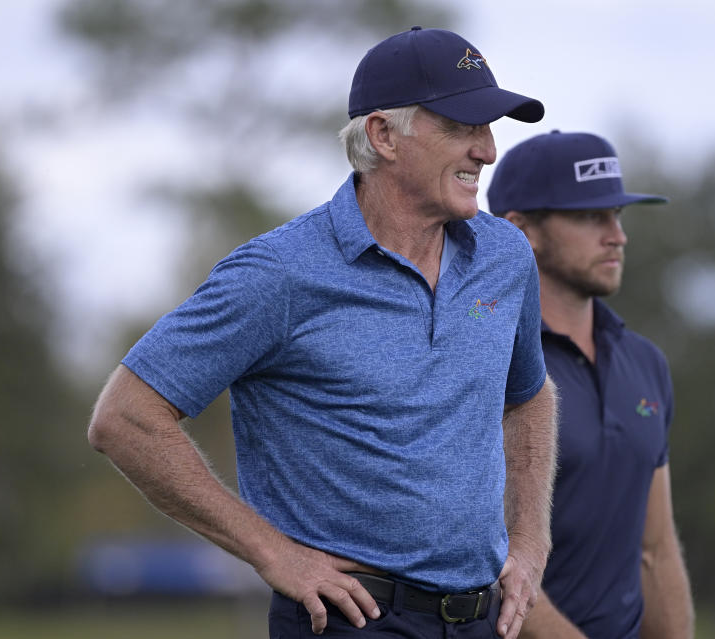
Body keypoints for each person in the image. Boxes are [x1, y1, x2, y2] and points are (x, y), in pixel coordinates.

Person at [88, 26, 559, 639]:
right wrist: (270, 551)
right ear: (382, 135)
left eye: (489, 128)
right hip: (348, 620)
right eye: (462, 128)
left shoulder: (506, 256)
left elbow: (528, 393)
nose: (488, 151)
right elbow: (125, 418)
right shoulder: (279, 273)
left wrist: (530, 536)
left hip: (484, 621)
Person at [488, 130, 695, 638]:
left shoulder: (644, 363)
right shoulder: (484, 358)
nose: (616, 235)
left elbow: (656, 549)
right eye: (589, 217)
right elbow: (479, 554)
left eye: (618, 216)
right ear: (522, 230)